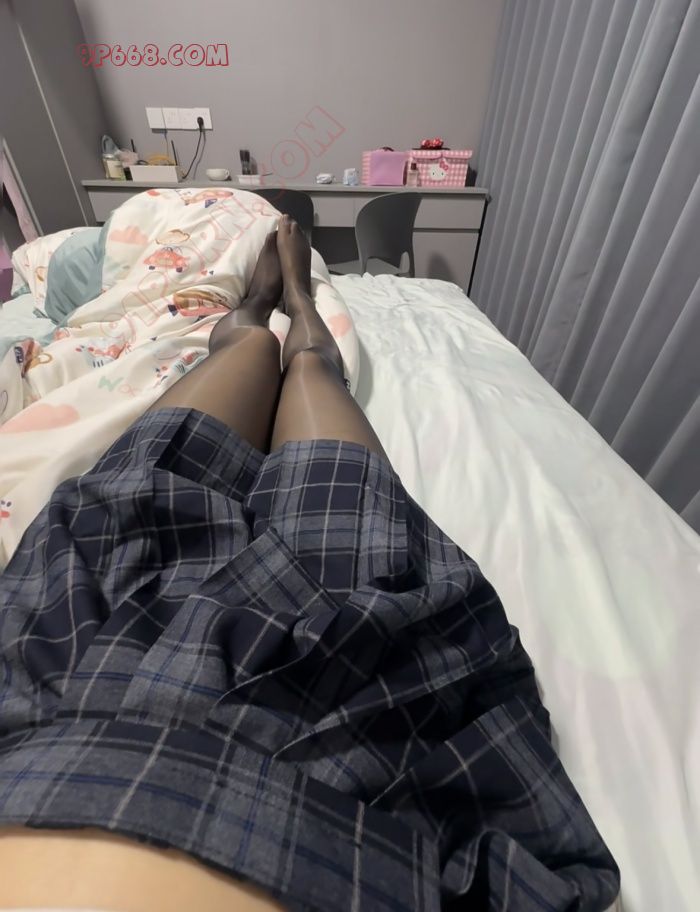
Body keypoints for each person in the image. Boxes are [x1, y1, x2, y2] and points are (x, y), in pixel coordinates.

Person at [0, 217, 619, 911]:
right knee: (316, 387)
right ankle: (295, 312)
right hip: (344, 699)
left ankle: (262, 310)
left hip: (67, 674)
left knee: (161, 459)